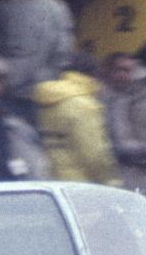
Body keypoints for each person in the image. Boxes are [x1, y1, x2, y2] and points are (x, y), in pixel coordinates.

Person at [32, 58, 119, 186]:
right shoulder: (84, 105)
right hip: (81, 182)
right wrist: (109, 181)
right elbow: (94, 155)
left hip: (51, 178)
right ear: (93, 76)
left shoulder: (49, 100)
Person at [0, 0, 76, 98]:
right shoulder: (59, 7)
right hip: (47, 88)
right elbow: (64, 49)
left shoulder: (6, 7)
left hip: (13, 89)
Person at [102, 53, 146, 168]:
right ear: (109, 71)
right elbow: (119, 143)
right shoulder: (106, 98)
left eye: (129, 71)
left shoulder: (125, 97)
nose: (125, 75)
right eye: (120, 70)